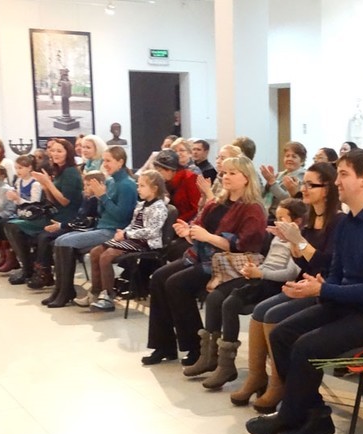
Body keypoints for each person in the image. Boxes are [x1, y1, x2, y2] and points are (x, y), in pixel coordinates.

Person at [244, 149, 363, 434]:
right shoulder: (347, 222)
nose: (337, 182)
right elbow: (337, 272)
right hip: (350, 304)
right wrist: (317, 288)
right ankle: (313, 414)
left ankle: (292, 415)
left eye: (344, 174)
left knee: (307, 345)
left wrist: (322, 290)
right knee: (282, 334)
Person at [229, 162, 345, 411]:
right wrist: (292, 242)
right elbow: (303, 263)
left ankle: (278, 383)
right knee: (260, 311)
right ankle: (256, 375)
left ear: (327, 189)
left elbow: (326, 264)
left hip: (325, 287)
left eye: (311, 184)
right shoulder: (312, 217)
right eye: (304, 183)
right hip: (307, 281)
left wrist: (299, 241)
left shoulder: (338, 221)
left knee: (273, 315)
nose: (304, 188)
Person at [141, 155, 267, 366]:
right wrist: (188, 232)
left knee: (176, 284)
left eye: (232, 173)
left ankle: (197, 347)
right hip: (202, 255)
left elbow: (243, 245)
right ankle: (164, 345)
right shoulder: (217, 202)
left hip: (225, 263)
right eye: (224, 173)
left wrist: (207, 237)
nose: (225, 177)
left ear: (246, 178)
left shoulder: (252, 208)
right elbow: (198, 226)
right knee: (158, 278)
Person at [187, 198, 306, 390]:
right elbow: (269, 262)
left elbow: (290, 272)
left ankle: (226, 364)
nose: (277, 222)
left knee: (231, 303)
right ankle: (208, 356)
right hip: (261, 276)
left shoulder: (299, 241)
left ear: (297, 222)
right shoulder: (277, 237)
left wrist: (261, 273)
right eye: (276, 217)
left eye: (283, 218)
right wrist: (254, 269)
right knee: (215, 297)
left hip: (274, 283)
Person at [42, 146, 138, 308]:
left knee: (64, 242)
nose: (105, 164)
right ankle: (61, 289)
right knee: (60, 240)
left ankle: (66, 292)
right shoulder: (111, 181)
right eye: (104, 160)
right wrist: (99, 198)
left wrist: (103, 197)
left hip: (114, 231)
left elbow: (121, 216)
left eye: (108, 161)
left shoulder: (127, 185)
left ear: (120, 162)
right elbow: (102, 212)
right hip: (102, 227)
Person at [86, 169, 169, 312]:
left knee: (106, 256)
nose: (138, 189)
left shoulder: (159, 207)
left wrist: (126, 235)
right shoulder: (141, 204)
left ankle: (107, 297)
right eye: (138, 185)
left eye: (142, 186)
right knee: (95, 252)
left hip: (144, 242)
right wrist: (123, 232)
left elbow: (152, 232)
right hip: (132, 237)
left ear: (155, 188)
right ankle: (95, 292)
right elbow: (133, 224)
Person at [4, 138, 83, 284]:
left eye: (59, 151)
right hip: (54, 212)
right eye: (53, 151)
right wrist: (46, 187)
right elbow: (53, 200)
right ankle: (27, 268)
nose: (55, 154)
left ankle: (40, 271)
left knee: (31, 232)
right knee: (11, 225)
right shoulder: (59, 170)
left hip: (67, 217)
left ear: (68, 153)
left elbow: (65, 201)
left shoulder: (71, 172)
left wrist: (48, 183)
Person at [152, 149, 200, 223]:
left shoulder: (190, 178)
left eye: (159, 170)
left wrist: (176, 222)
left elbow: (197, 209)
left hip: (185, 223)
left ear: (170, 170)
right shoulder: (164, 182)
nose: (157, 174)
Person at [260, 141, 306, 218]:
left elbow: (287, 199)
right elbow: (262, 194)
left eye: (294, 157)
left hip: (285, 216)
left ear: (302, 161)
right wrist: (268, 183)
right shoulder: (279, 174)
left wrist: (272, 182)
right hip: (268, 213)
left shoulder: (302, 175)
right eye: (287, 156)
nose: (289, 159)